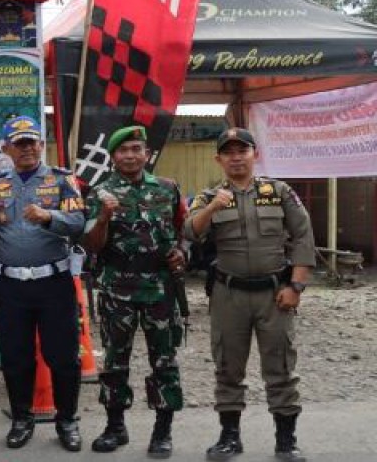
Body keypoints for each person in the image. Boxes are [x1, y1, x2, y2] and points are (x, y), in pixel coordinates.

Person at [185, 128, 315, 462]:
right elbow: (189, 232)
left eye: (242, 150)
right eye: (228, 152)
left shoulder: (279, 191)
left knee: (281, 366)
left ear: (254, 154)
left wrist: (296, 286)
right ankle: (230, 438)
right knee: (227, 366)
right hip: (229, 295)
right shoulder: (209, 195)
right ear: (219, 159)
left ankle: (286, 440)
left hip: (275, 295)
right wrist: (213, 207)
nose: (236, 157)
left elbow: (303, 236)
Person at [82, 125, 188, 458]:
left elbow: (183, 230)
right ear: (113, 156)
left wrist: (182, 251)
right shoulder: (99, 192)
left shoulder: (168, 189)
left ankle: (162, 432)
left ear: (146, 154)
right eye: (123, 150)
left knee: (165, 362)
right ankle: (115, 428)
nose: (130, 155)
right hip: (118, 291)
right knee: (114, 363)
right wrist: (103, 218)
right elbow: (91, 244)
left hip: (160, 292)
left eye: (135, 148)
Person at [0, 115, 86, 452]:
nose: (26, 148)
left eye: (32, 142)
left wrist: (49, 217)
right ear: (7, 148)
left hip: (53, 283)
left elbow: (78, 222)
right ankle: (21, 419)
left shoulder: (62, 181)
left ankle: (67, 420)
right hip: (11, 287)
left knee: (63, 357)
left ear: (41, 146)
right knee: (15, 357)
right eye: (19, 143)